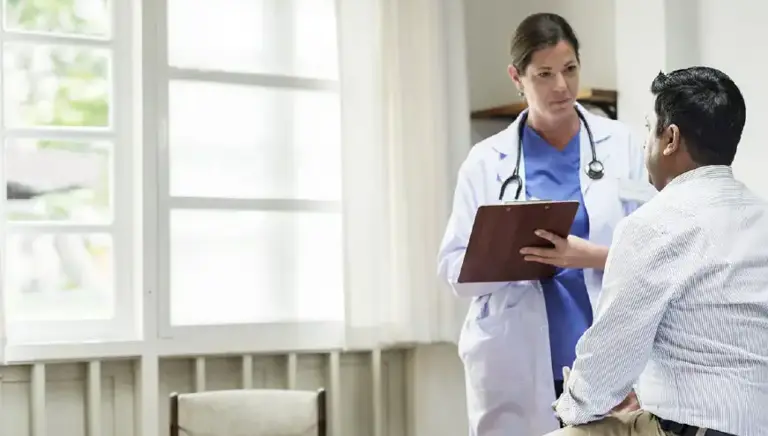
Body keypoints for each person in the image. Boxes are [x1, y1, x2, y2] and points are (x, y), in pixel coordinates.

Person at [436, 12, 656, 436]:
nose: (561, 86)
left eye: (570, 69)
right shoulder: (485, 161)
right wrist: (504, 255)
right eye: (545, 74)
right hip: (515, 359)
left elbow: (652, 253)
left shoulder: (621, 144)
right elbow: (453, 270)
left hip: (602, 357)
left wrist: (584, 255)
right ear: (517, 77)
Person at [549, 66, 768, 436]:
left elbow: (607, 362)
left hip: (692, 429)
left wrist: (568, 407)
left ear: (670, 138)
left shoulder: (652, 224)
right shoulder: (760, 215)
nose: (644, 143)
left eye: (650, 128)